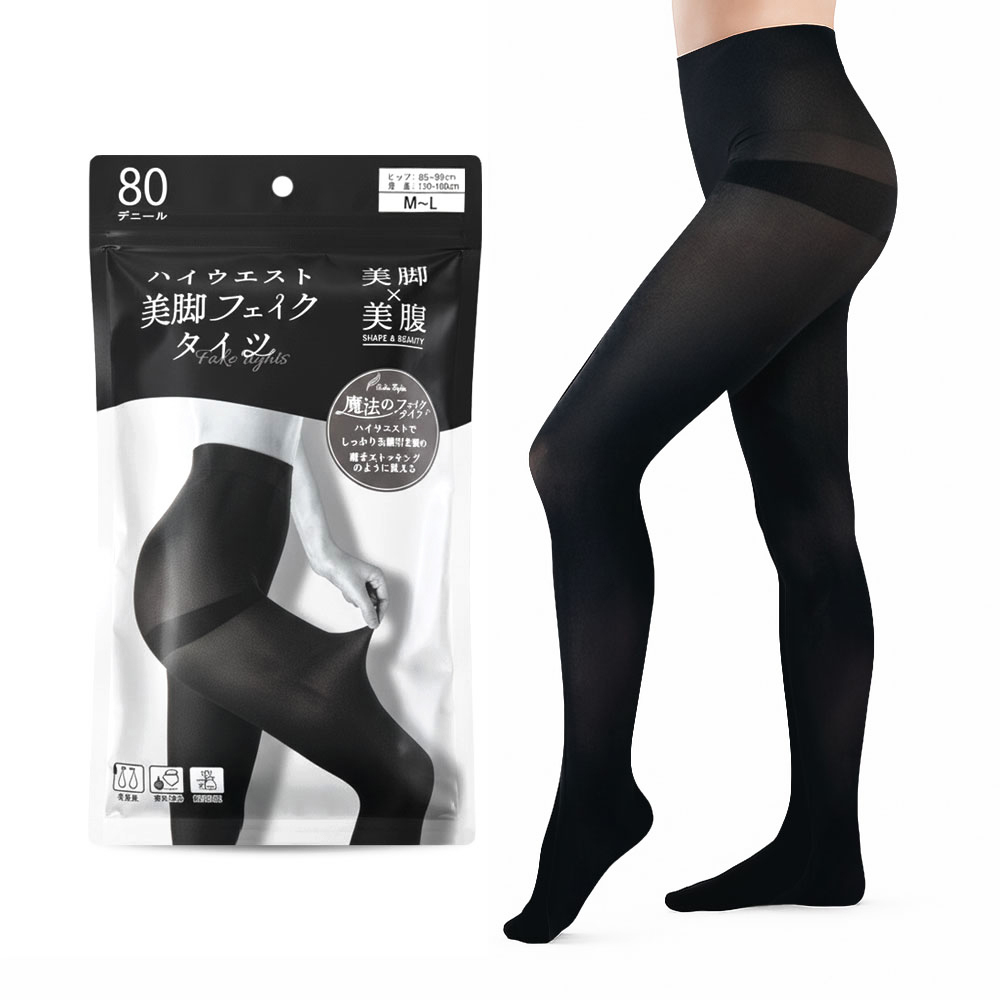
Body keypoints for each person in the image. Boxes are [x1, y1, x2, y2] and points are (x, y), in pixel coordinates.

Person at [504, 0, 897, 942]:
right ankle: (823, 848)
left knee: (577, 460)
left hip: (796, 163)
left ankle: (597, 793)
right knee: (808, 523)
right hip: (780, 160)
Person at [134, 399, 434, 845]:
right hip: (198, 582)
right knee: (402, 775)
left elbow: (280, 418)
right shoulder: (238, 350)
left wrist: (322, 551)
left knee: (207, 823)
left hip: (212, 583)